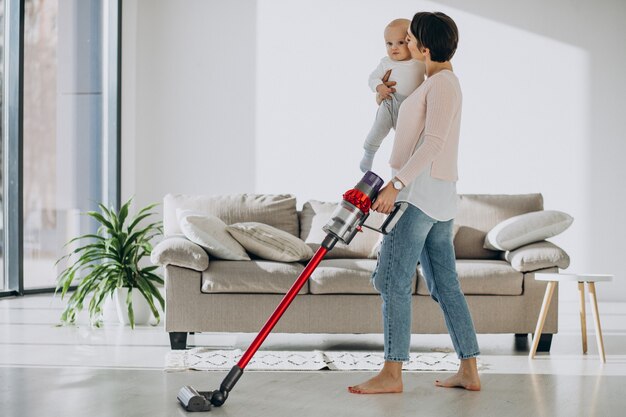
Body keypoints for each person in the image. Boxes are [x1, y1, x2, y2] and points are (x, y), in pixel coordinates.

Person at [349, 11, 482, 394]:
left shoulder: (442, 86)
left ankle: (392, 374)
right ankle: (469, 369)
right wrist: (381, 92)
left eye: (408, 40)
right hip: (438, 198)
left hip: (418, 196)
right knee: (445, 285)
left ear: (424, 47)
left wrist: (396, 184)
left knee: (390, 280)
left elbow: (434, 142)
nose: (402, 46)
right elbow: (401, 113)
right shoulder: (433, 83)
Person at [360, 18, 426, 173]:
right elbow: (372, 78)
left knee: (409, 141)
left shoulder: (420, 62)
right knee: (378, 129)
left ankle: (409, 166)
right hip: (390, 102)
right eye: (389, 43)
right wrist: (380, 87)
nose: (393, 48)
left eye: (400, 42)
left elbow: (433, 79)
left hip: (411, 109)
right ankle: (369, 153)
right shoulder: (386, 62)